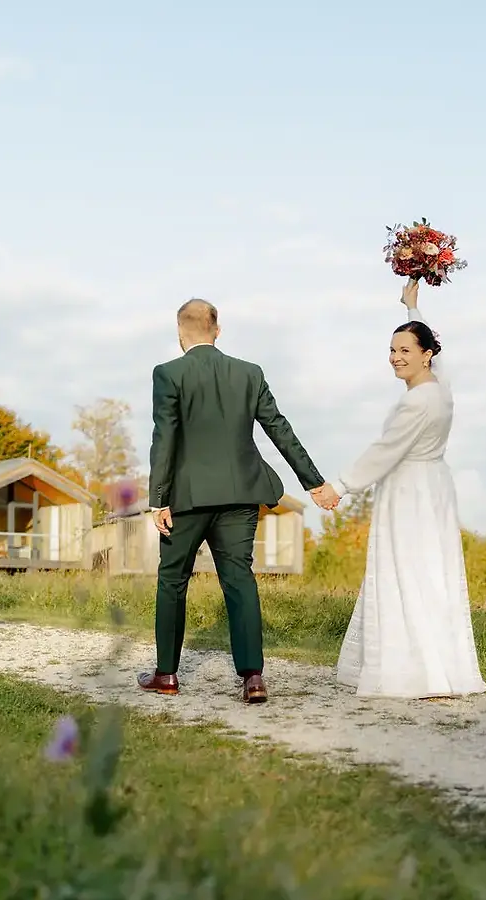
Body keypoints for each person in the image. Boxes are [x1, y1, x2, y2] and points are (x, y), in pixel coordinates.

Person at [138, 298, 339, 705]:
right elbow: (279, 428)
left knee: (173, 580)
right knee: (239, 580)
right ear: (217, 330)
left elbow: (165, 437)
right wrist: (313, 482)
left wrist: (158, 499)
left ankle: (167, 675)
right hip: (241, 494)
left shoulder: (168, 374)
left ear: (180, 333)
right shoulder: (250, 373)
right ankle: (253, 678)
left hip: (186, 498)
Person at [330, 277, 486, 698]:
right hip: (434, 488)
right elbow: (441, 358)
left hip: (409, 492)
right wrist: (412, 308)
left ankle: (414, 669)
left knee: (407, 571)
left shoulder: (418, 401)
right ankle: (437, 664)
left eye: (405, 351)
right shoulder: (441, 388)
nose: (396, 358)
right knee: (430, 572)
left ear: (426, 356)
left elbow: (386, 450)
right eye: (392, 350)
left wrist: (341, 486)